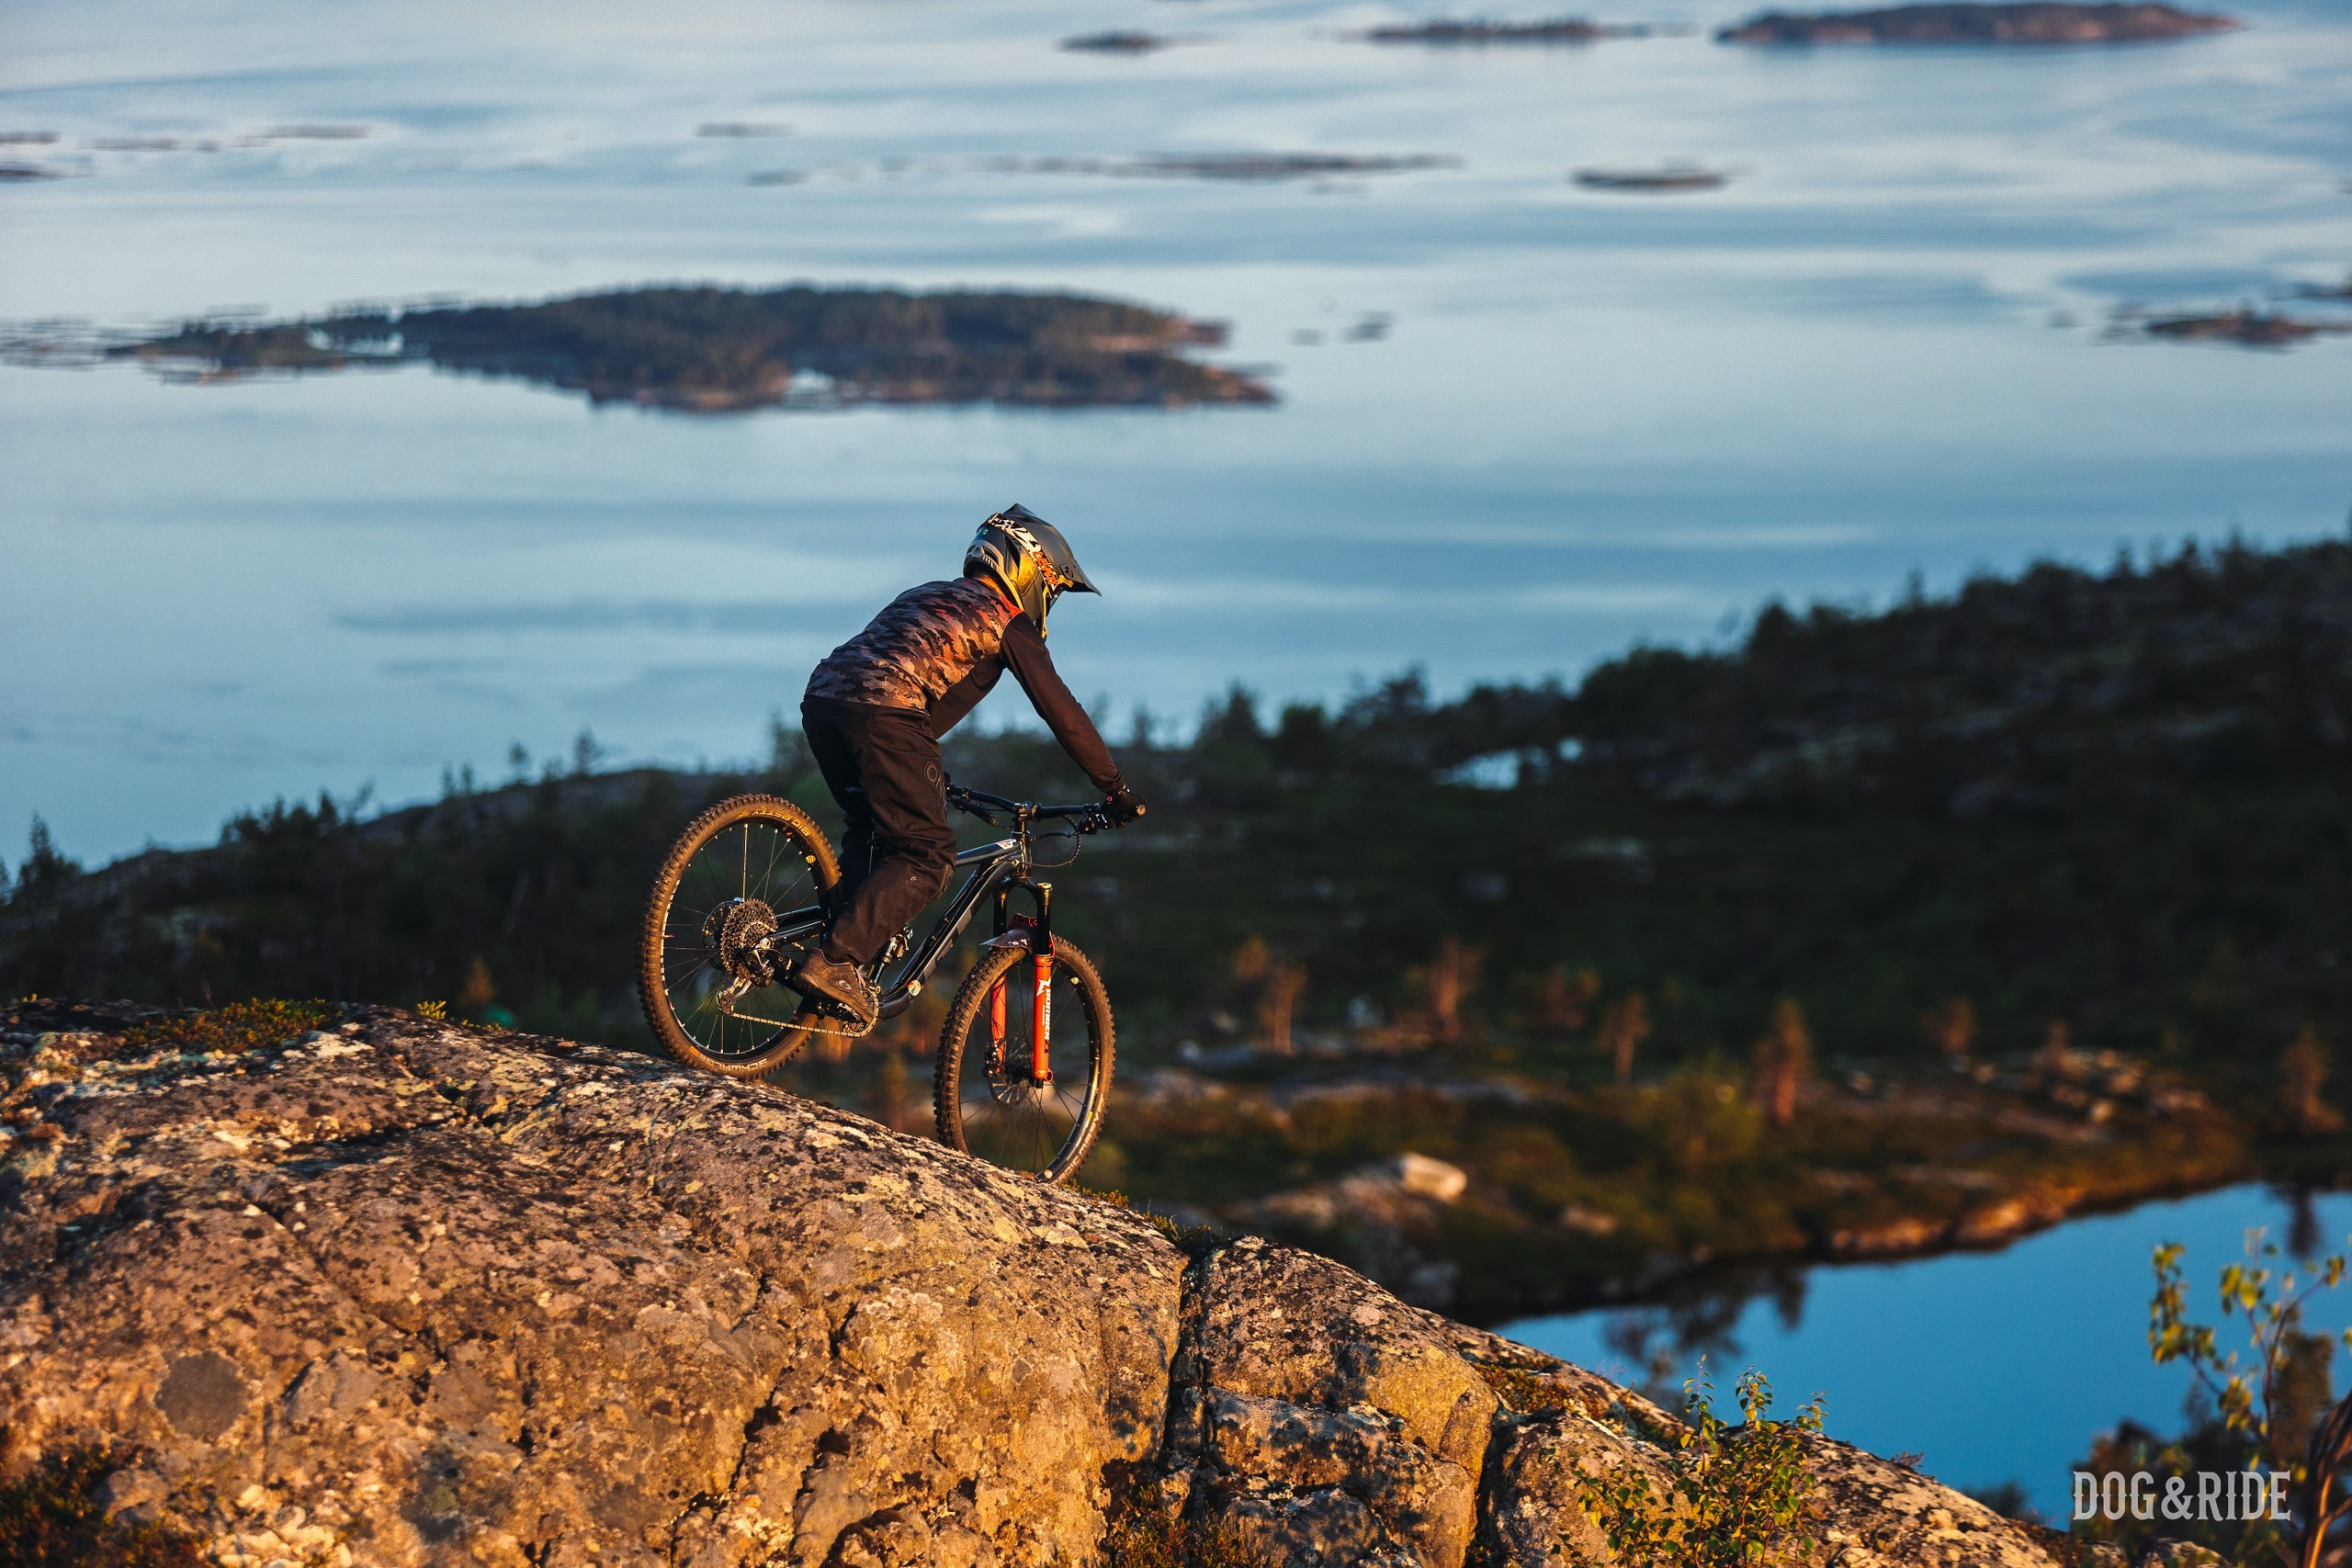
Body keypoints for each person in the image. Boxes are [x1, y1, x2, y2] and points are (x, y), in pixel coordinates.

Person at [788, 504, 1147, 1023]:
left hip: (825, 701)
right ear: (1029, 571)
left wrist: (924, 774)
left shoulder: (928, 594)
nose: (1047, 602)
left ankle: (824, 953)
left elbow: (919, 700)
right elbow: (1063, 713)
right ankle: (837, 961)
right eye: (1049, 588)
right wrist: (1114, 788)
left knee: (872, 832)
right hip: (887, 713)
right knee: (926, 857)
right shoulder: (1006, 621)